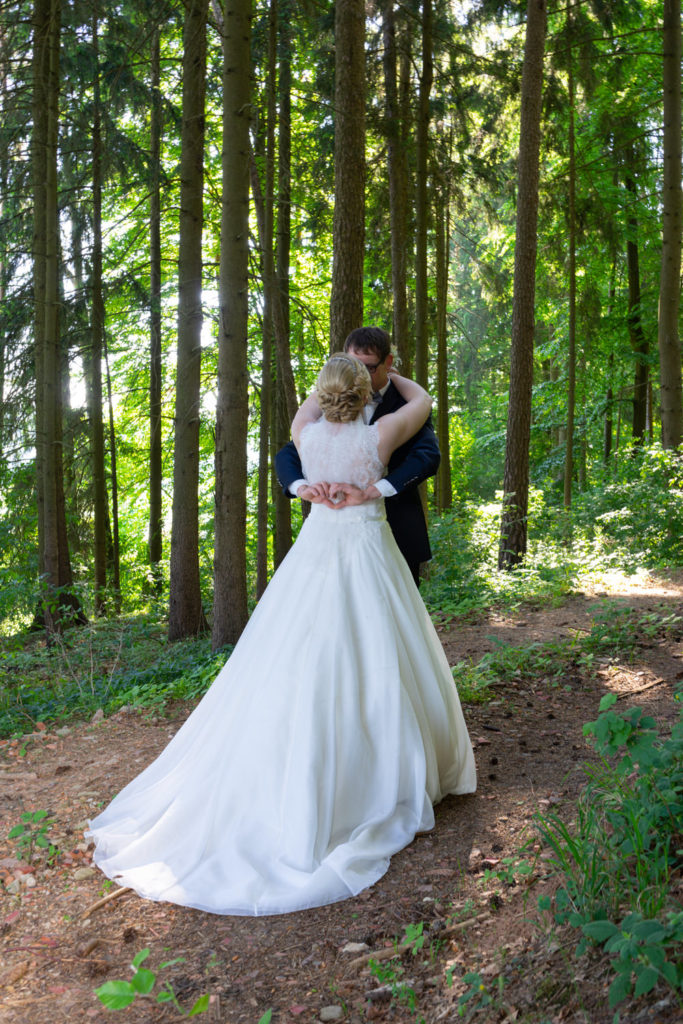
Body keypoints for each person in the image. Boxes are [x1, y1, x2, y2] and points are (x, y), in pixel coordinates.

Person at [87, 354, 476, 917]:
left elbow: (307, 416)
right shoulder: (382, 433)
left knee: (301, 650)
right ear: (367, 391)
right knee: (380, 650)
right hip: (368, 550)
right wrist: (392, 375)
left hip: (318, 550)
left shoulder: (305, 433)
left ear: (322, 395)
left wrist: (303, 486)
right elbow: (421, 402)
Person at [275, 326, 440, 584]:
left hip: (396, 528)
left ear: (388, 362)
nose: (359, 373)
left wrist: (380, 488)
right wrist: (299, 486)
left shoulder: (400, 405)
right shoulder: (390, 426)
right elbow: (288, 455)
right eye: (353, 365)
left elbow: (428, 457)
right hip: (326, 541)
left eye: (369, 367)